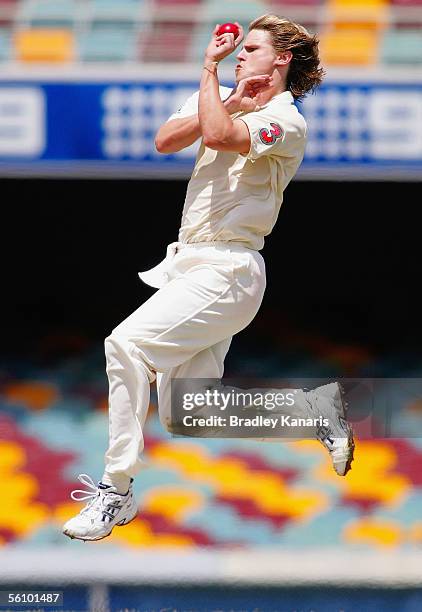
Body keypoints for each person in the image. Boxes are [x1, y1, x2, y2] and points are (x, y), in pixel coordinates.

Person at [63, 14, 354, 542]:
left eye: (254, 48)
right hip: (190, 266)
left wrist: (211, 76)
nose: (240, 55)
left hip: (229, 268)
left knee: (124, 345)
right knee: (186, 413)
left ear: (281, 60)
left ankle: (115, 489)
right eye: (239, 50)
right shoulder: (220, 95)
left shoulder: (288, 120)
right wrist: (222, 92)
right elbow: (166, 139)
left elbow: (220, 136)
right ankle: (311, 412)